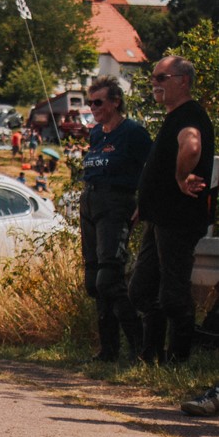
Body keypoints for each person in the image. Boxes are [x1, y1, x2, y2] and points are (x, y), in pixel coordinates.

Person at [128, 56, 214, 364]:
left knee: (173, 294)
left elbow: (191, 146)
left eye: (162, 78)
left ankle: (177, 360)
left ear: (183, 81)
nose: (155, 83)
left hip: (178, 220)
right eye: (153, 78)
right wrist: (145, 207)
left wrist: (181, 178)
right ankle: (151, 354)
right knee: (141, 289)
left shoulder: (189, 116)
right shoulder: (175, 115)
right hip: (158, 217)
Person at [78, 76, 151, 362]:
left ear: (115, 102)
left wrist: (143, 203)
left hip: (117, 202)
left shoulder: (132, 132)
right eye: (90, 102)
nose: (93, 108)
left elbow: (153, 167)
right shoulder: (97, 133)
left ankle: (139, 346)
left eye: (99, 102)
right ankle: (108, 349)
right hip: (91, 200)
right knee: (94, 280)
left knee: (110, 277)